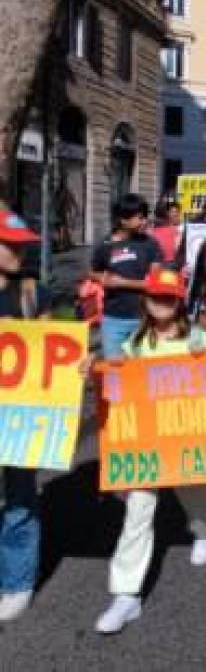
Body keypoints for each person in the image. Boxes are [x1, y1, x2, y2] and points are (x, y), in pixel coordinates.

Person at [95, 267, 206, 635]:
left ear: (179, 301)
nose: (161, 303)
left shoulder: (196, 337)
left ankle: (205, 531)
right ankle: (126, 594)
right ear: (146, 301)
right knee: (137, 511)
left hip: (185, 436)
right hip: (148, 441)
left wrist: (203, 354)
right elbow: (122, 379)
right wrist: (97, 367)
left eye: (168, 297)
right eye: (155, 297)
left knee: (194, 495)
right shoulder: (138, 339)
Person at [0, 211, 52, 622]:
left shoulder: (36, 292)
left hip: (19, 416)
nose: (20, 251)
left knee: (19, 497)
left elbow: (53, 349)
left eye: (22, 244)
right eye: (10, 244)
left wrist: (80, 366)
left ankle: (16, 582)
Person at [90, 195, 162, 359]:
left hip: (144, 318)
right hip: (113, 319)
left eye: (145, 216)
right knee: (114, 370)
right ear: (123, 220)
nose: (145, 221)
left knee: (141, 371)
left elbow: (154, 282)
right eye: (140, 217)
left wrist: (121, 283)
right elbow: (92, 271)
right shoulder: (105, 246)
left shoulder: (150, 244)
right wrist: (101, 278)